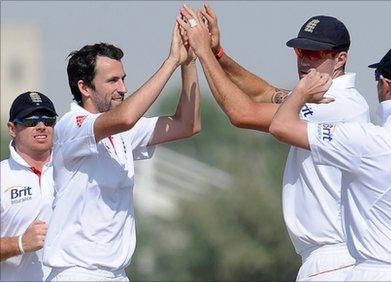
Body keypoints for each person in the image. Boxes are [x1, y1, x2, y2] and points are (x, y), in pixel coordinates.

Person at [178, 4, 370, 280]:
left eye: (314, 53)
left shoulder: (334, 103)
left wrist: (202, 53)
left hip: (333, 258)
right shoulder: (317, 96)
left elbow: (242, 113)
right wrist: (218, 53)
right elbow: (265, 93)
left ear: (340, 59)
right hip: (331, 258)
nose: (304, 60)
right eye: (299, 51)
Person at [269, 45, 391, 281]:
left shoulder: (364, 139)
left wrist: (301, 92)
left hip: (373, 272)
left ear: (384, 85)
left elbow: (281, 126)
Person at [42, 21, 201, 281]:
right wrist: (171, 61)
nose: (123, 88)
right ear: (84, 88)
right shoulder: (71, 127)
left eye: (123, 79)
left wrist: (188, 61)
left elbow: (188, 124)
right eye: (113, 81)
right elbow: (126, 117)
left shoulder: (123, 132)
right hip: (77, 274)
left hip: (117, 274)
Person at [1, 91, 58, 281]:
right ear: (12, 128)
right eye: (31, 121)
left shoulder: (72, 169)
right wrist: (20, 243)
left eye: (49, 121)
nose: (41, 126)